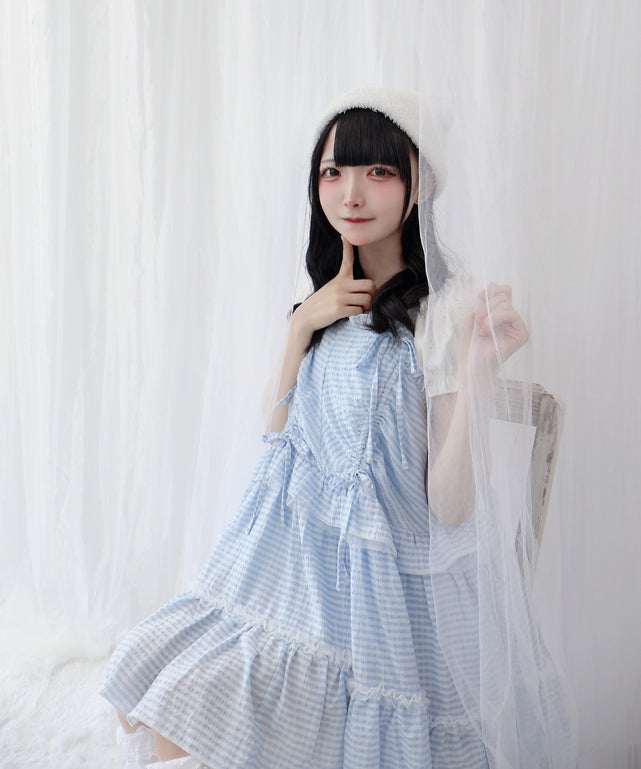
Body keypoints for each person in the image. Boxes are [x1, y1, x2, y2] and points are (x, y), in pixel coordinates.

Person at [100, 88, 542, 769]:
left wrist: (476, 373)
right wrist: (301, 325)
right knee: (151, 687)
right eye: (333, 172)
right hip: (286, 562)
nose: (351, 193)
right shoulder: (323, 299)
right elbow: (276, 436)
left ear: (420, 184)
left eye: (378, 171)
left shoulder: (444, 311)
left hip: (379, 594)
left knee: (186, 715)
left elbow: (449, 506)